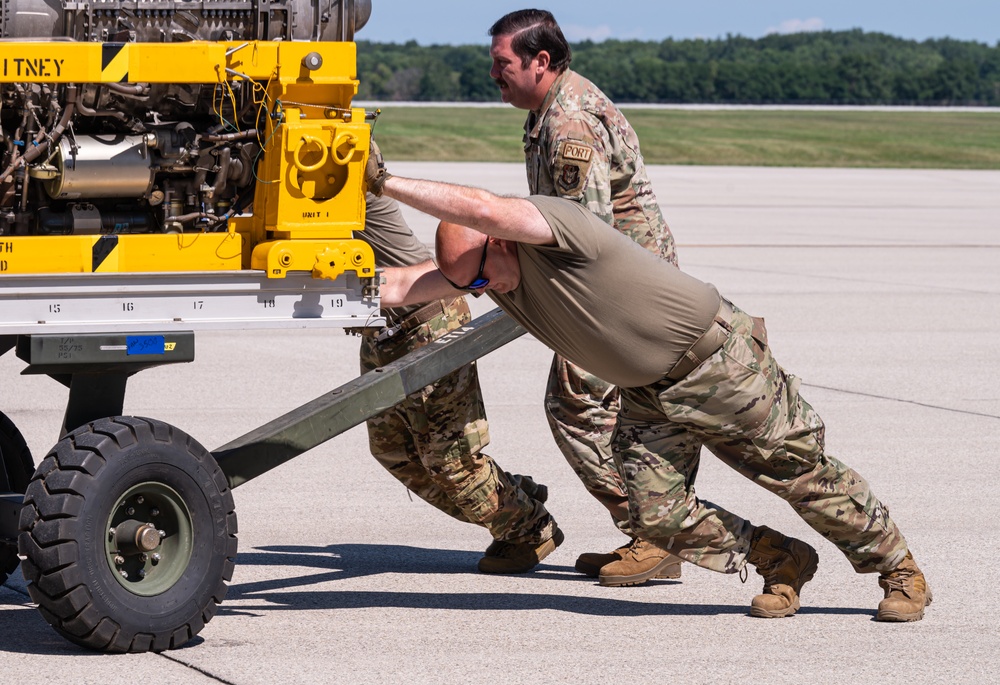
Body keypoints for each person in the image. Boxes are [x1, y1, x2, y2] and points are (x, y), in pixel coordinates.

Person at [363, 151, 932, 621]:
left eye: (482, 277)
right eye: (471, 284)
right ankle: (779, 558)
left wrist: (385, 182)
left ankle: (900, 572)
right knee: (657, 515)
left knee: (800, 474)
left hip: (719, 367)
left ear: (501, 239)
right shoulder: (485, 271)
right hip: (648, 394)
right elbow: (401, 284)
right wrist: (293, 287)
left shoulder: (561, 231)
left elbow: (486, 206)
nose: (483, 291)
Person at [488, 8, 681, 586]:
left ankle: (656, 536)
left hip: (619, 294)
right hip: (624, 286)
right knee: (623, 418)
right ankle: (653, 532)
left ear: (539, 61)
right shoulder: (549, 110)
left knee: (576, 405)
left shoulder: (569, 123)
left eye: (502, 65)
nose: (494, 76)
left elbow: (586, 234)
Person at [351, 192, 561, 574]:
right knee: (394, 450)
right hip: (382, 330)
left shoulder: (334, 171)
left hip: (427, 322)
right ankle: (512, 497)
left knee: (451, 464)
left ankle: (530, 527)